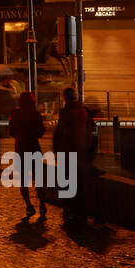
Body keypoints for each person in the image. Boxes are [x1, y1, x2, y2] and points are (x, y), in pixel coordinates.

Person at [53, 87, 93, 226]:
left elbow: (60, 130)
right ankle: (81, 211)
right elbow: (89, 131)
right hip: (81, 150)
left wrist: (55, 147)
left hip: (67, 151)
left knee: (67, 181)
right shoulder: (83, 111)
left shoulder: (65, 112)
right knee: (79, 182)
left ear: (65, 97)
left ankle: (69, 210)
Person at [9, 91, 46, 218]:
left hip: (20, 148)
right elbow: (41, 132)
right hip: (34, 148)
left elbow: (11, 131)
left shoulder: (15, 114)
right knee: (39, 179)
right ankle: (42, 204)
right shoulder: (35, 114)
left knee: (23, 180)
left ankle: (29, 205)